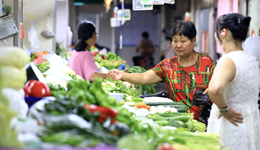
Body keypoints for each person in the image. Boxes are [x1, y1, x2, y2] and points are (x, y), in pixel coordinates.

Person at [108, 21, 215, 121]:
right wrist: (122, 75)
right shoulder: (167, 65)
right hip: (179, 121)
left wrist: (213, 87)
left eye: (183, 41)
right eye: (175, 40)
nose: (178, 45)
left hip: (205, 121)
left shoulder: (207, 63)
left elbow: (223, 84)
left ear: (194, 41)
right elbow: (143, 77)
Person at [207, 13, 260, 150]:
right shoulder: (250, 59)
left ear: (223, 32)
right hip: (249, 124)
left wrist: (224, 109)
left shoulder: (228, 60)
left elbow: (214, 89)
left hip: (230, 125)